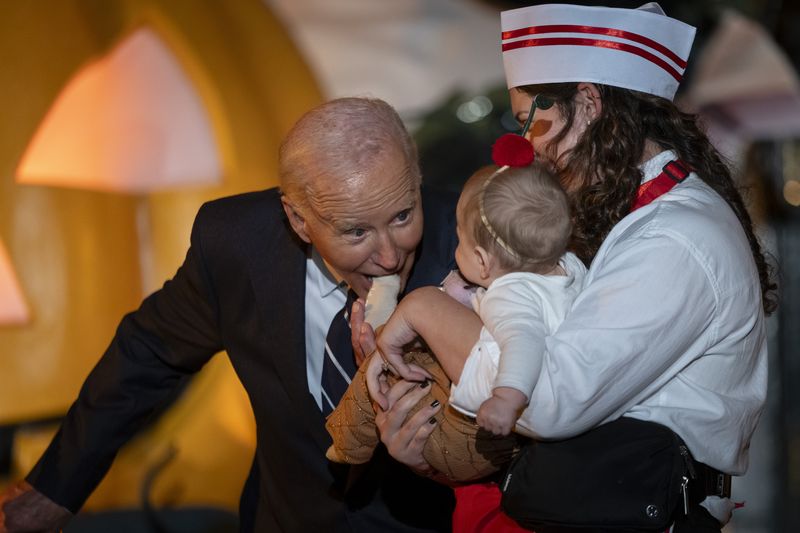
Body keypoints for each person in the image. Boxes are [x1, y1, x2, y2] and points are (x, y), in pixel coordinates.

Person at [361, 3, 776, 532]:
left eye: (533, 122)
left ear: (588, 103)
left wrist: (425, 311)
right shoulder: (615, 213)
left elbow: (549, 399)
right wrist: (432, 451)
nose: (527, 150)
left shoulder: (676, 237)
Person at [0, 97, 457, 532]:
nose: (390, 256)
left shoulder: (472, 248)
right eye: (355, 231)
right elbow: (149, 354)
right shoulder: (238, 244)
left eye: (402, 216)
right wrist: (52, 488)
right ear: (299, 221)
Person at [326, 162, 585, 482]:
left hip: (475, 441)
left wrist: (505, 399)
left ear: (481, 260)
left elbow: (523, 341)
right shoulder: (569, 267)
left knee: (385, 364)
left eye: (460, 241)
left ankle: (348, 442)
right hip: (501, 444)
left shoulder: (511, 297)